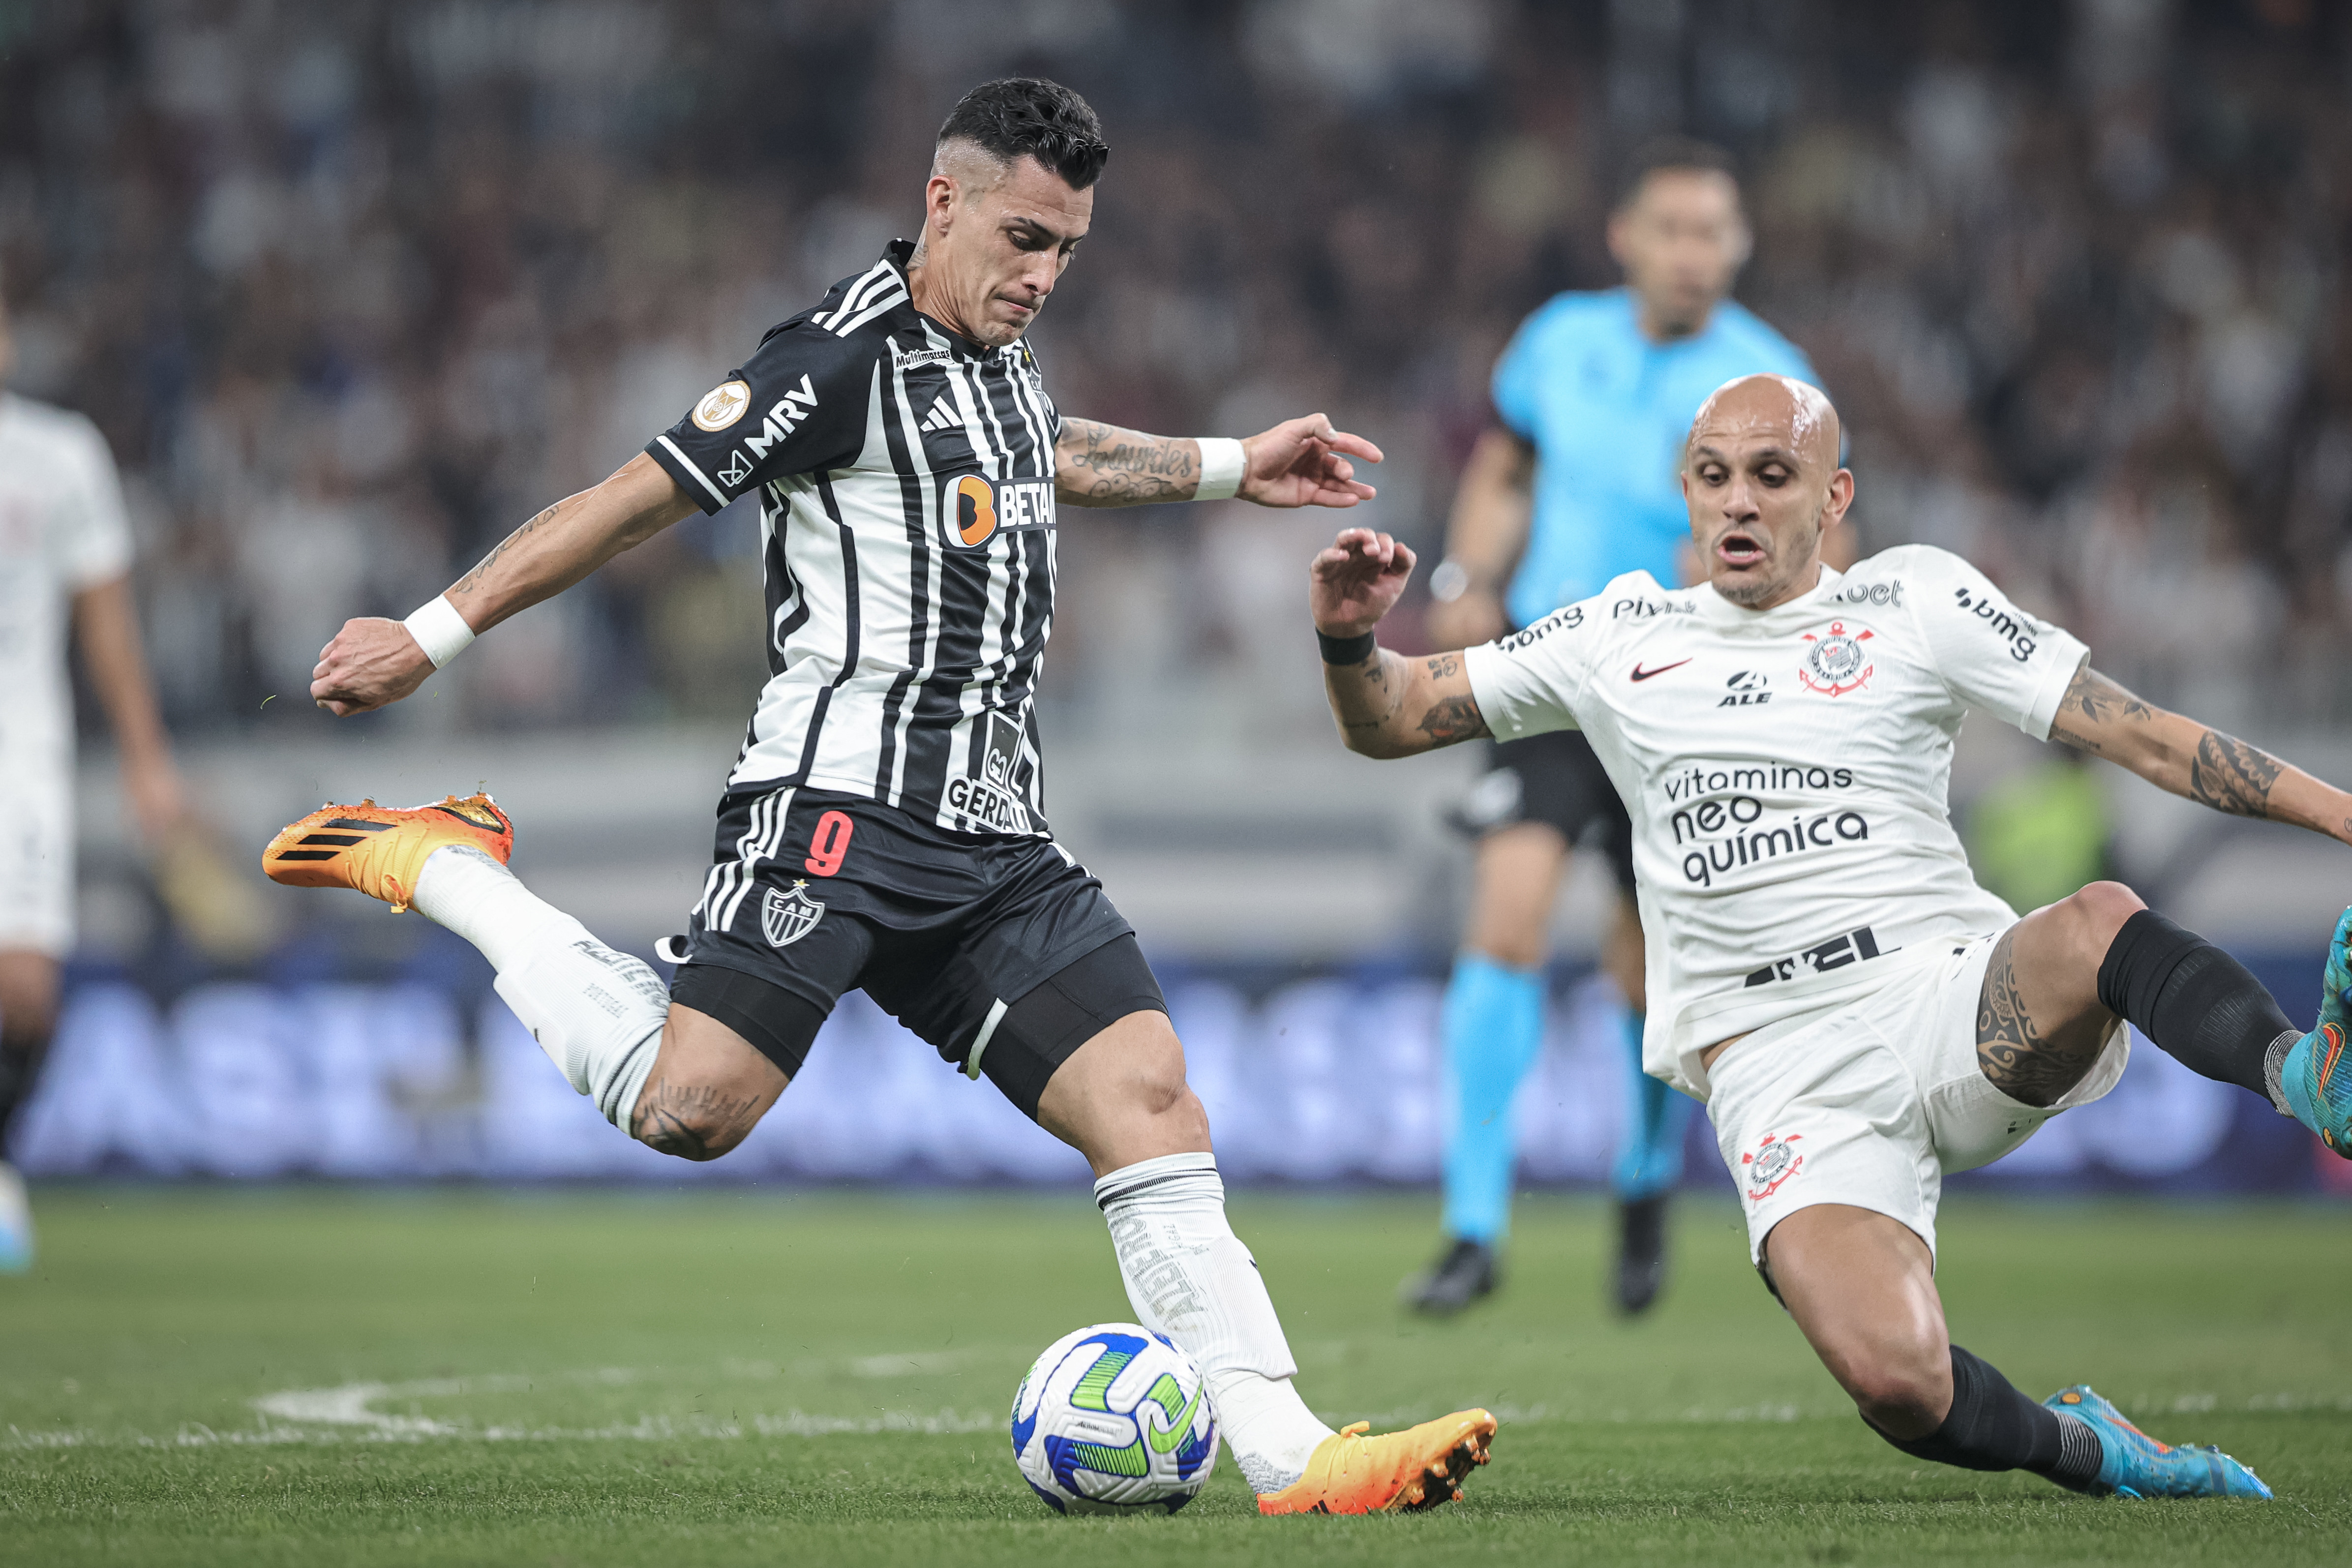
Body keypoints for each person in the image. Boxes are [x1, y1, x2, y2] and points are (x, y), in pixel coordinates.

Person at [268, 79, 1494, 1516]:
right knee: (691, 1108)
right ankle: (449, 863)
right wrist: (430, 633)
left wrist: (1231, 466)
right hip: (835, 808)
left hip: (993, 836)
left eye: (1066, 251)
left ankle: (1295, 1458)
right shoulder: (829, 364)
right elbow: (632, 493)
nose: (1040, 277)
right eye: (1023, 238)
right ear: (942, 203)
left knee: (1150, 1097)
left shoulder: (999, 362)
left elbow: (1043, 455)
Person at [1306, 371, 2333, 1498]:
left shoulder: (1914, 603)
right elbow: (1393, 717)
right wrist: (1349, 639)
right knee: (1900, 1383)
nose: (1738, 502)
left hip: (1942, 995)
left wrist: (2342, 813)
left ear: (1833, 494)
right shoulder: (1618, 631)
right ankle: (2096, 1448)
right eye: (1713, 478)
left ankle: (2306, 1076)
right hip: (1780, 1069)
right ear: (1686, 497)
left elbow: (2141, 736)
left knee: (2096, 922)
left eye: (1772, 475)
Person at [1408, 140, 1818, 1318]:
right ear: (1626, 238)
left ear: (1738, 248)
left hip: (1687, 689)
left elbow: (1827, 540)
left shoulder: (1774, 380)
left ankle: (1642, 1182)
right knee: (1507, 916)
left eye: (1715, 233)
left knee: (1648, 968)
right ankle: (1472, 1227)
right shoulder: (1558, 341)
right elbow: (1505, 464)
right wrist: (1466, 573)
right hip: (1554, 672)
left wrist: (1757, 572)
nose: (1695, 253)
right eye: (1674, 230)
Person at [0, 293, 186, 1271]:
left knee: (27, 992)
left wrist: (145, 759)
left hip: (17, 751)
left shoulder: (59, 454)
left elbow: (107, 622)